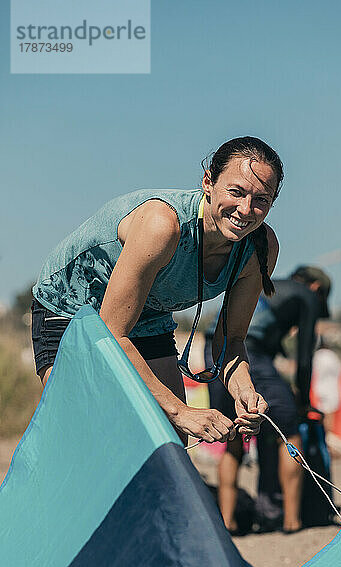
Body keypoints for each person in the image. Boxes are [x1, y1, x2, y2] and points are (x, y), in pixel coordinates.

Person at [31, 136, 283, 448]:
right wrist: (181, 410)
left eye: (261, 199)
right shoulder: (163, 225)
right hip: (73, 305)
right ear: (208, 183)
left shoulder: (260, 248)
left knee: (169, 443)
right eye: (236, 192)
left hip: (147, 313)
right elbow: (112, 332)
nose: (246, 210)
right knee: (80, 438)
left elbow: (231, 342)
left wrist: (244, 390)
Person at [207, 265, 331, 534]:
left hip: (213, 353)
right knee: (289, 432)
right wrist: (302, 400)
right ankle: (292, 521)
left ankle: (226, 523)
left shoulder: (267, 286)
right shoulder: (306, 295)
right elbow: (305, 356)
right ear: (317, 289)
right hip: (247, 355)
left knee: (231, 436)